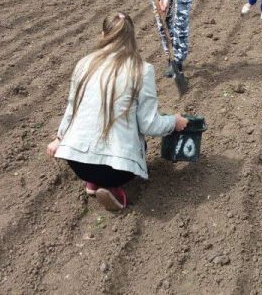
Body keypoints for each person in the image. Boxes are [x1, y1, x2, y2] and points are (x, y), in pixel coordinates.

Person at [46, 13, 188, 212]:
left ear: (103, 34)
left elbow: (72, 108)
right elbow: (149, 125)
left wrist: (59, 137)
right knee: (140, 144)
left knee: (94, 153)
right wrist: (174, 121)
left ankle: (92, 183)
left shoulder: (84, 63)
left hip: (76, 161)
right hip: (116, 170)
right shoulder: (141, 70)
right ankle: (113, 191)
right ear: (132, 37)